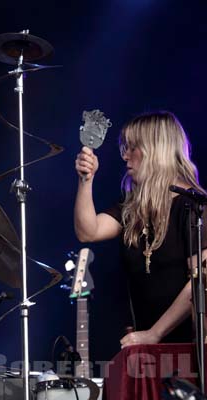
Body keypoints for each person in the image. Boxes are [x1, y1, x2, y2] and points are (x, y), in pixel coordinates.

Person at [74, 111, 206, 348]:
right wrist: (86, 180)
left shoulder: (193, 208)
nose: (125, 156)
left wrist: (155, 333)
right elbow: (88, 231)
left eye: (133, 147)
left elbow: (200, 283)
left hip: (188, 347)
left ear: (156, 150)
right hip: (146, 346)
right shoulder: (133, 208)